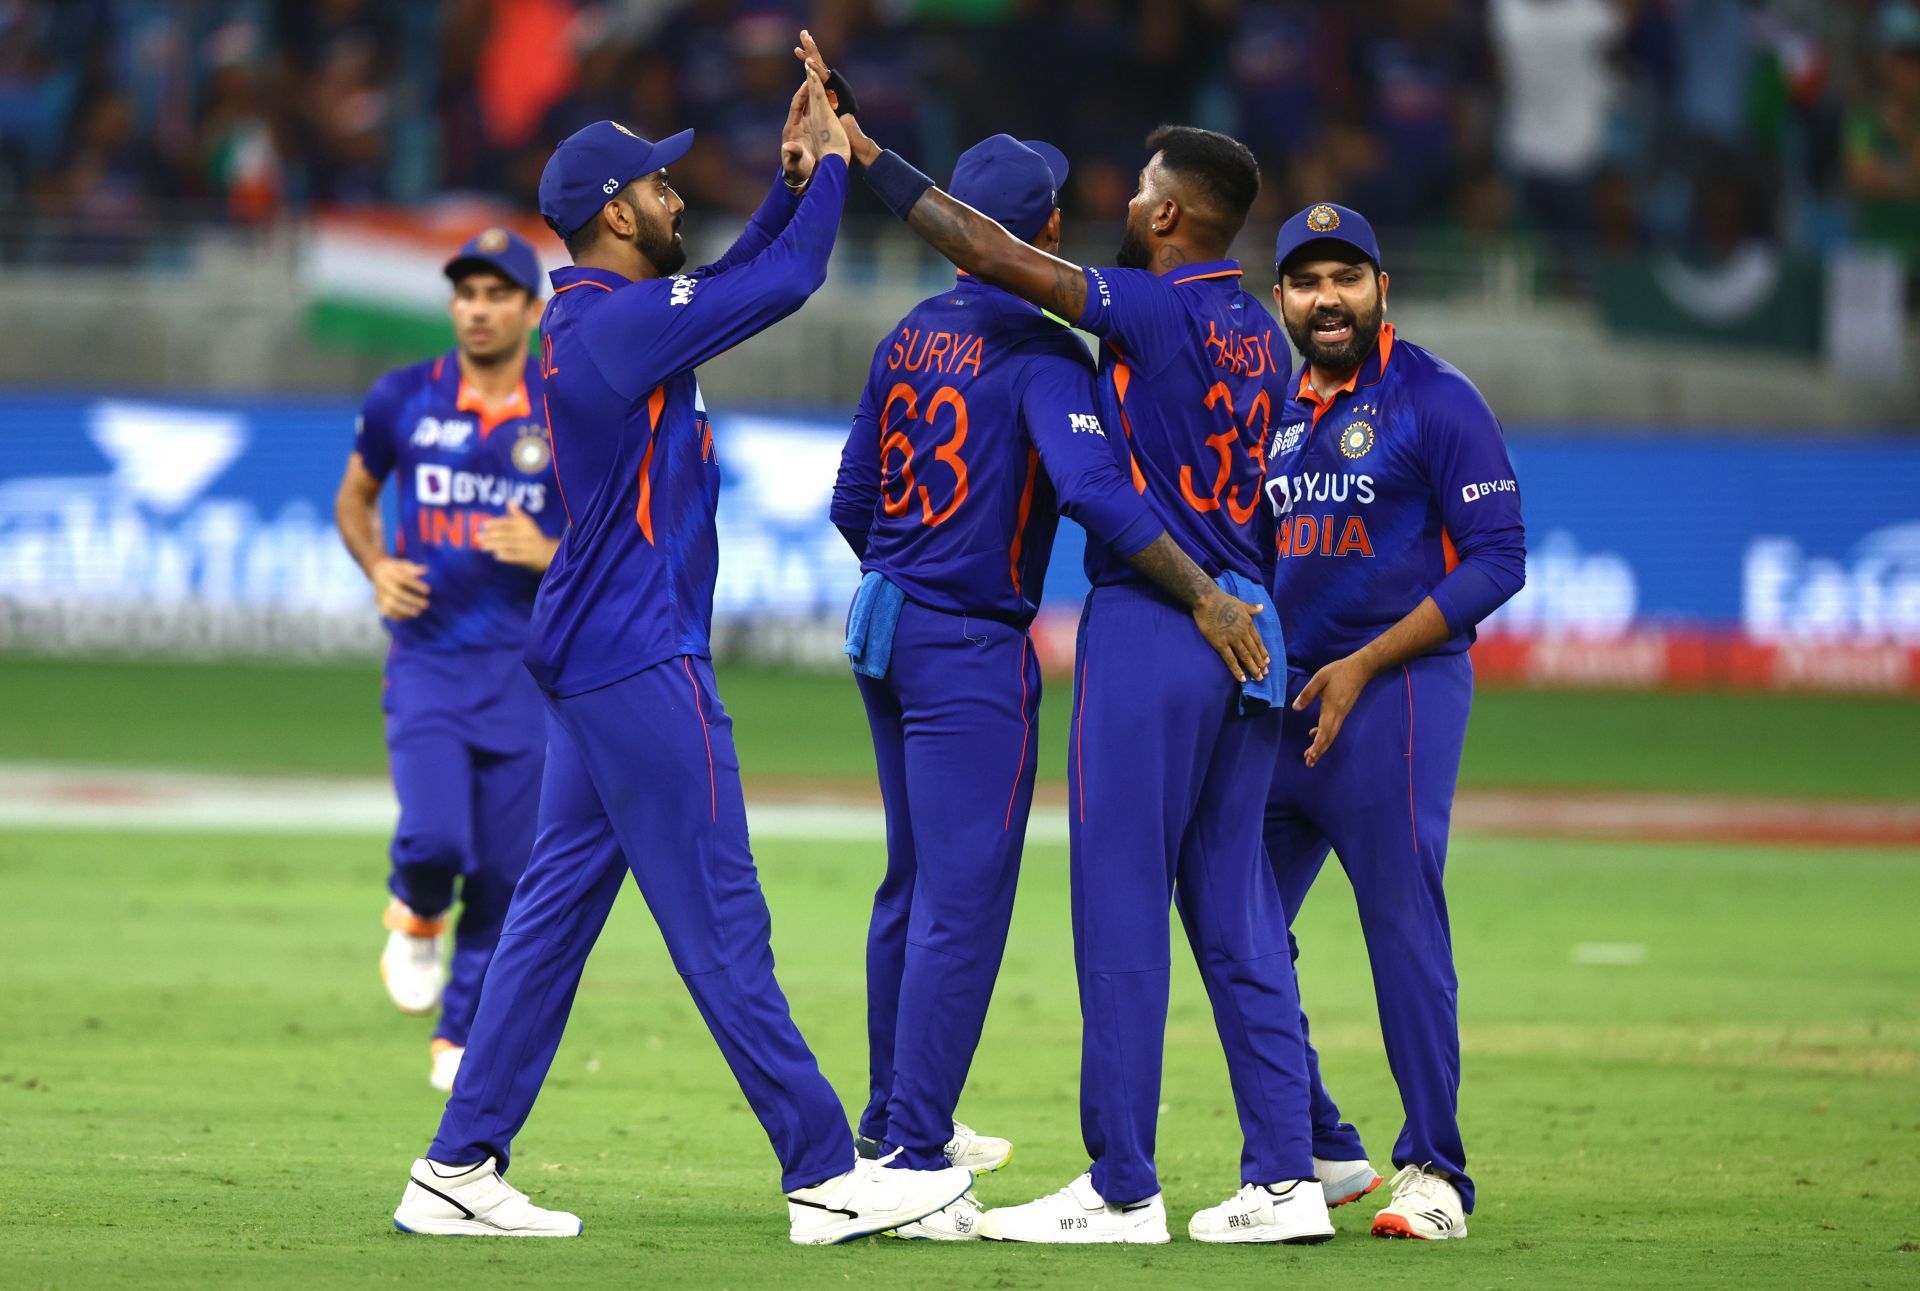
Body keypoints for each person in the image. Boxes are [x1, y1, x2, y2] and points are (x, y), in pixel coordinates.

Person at [389, 74, 971, 1245]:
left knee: (551, 916)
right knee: (720, 912)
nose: (672, 192)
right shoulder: (613, 327)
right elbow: (791, 280)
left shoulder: (613, 313)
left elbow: (742, 272)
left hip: (596, 649)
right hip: (639, 656)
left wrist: (794, 179)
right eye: (657, 182)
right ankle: (821, 1170)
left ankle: (457, 1164)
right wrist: (840, 169)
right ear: (616, 212)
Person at [796, 31, 1331, 1247]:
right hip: (1254, 621)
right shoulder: (1260, 332)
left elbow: (986, 263)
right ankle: (1286, 1174)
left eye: (1144, 187)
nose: (1124, 198)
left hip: (1159, 623)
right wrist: (1238, 596)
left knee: (1117, 905)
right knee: (1237, 906)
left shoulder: (1135, 309)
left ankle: (1123, 1184)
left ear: (1175, 216)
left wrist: (868, 153)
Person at [1261, 202, 1527, 1241]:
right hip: (1279, 710)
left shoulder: (1439, 398)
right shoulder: (1266, 408)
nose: (1328, 298)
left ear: (1382, 288)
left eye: (1347, 277)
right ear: (1280, 298)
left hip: (1397, 696)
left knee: (1402, 924)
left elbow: (1499, 559)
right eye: (1307, 280)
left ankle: (1437, 1172)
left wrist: (1365, 662)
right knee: (1232, 919)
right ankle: (1326, 1143)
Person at [332, 227, 560, 1094]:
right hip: (428, 660)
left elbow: (616, 523)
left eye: (498, 293)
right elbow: (355, 498)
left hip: (528, 670)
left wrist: (549, 550)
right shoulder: (404, 396)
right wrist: (377, 564)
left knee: (506, 872)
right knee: (435, 837)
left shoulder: (563, 404)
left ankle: (460, 1034)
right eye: (466, 293)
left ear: (533, 310)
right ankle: (418, 908)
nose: (478, 308)